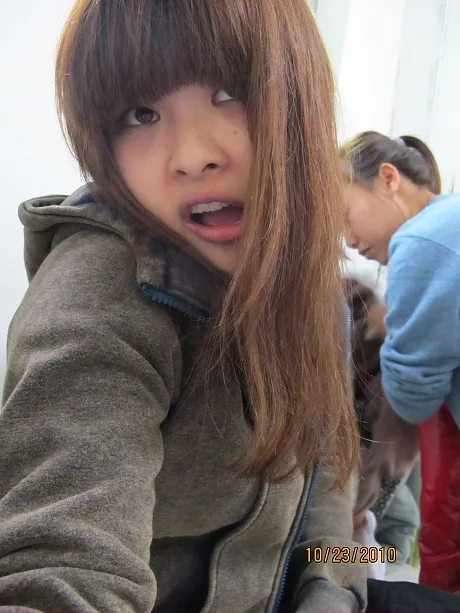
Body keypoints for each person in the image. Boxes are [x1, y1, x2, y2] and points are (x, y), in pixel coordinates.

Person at [0, 2, 366, 612]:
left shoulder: (315, 286)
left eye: (230, 91)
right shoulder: (99, 297)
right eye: (140, 114)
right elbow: (61, 567)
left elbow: (328, 487)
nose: (193, 155)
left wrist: (338, 588)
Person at [341, 131, 460, 593]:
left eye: (345, 217)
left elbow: (411, 398)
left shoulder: (423, 242)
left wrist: (392, 331)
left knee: (355, 541)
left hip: (365, 507)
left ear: (389, 179)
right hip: (378, 504)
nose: (349, 240)